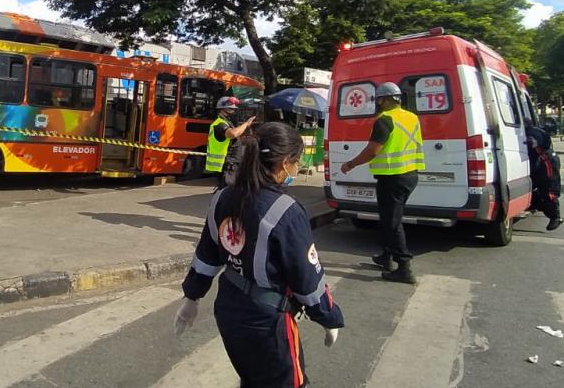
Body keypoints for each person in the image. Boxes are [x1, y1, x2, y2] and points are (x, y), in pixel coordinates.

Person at [174, 122, 344, 387]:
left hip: (229, 309)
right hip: (268, 320)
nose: (296, 169)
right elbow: (307, 279)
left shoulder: (221, 198)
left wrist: (192, 297)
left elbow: (207, 255)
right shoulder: (286, 211)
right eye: (296, 162)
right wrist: (329, 318)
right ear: (285, 162)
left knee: (251, 378)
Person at [338, 82, 424, 284]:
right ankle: (386, 256)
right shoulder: (412, 117)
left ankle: (404, 266)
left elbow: (372, 151)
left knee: (393, 221)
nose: (378, 103)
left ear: (384, 100)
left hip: (394, 177)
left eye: (379, 100)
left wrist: (350, 164)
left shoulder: (385, 120)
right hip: (409, 174)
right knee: (387, 217)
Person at [206, 97, 256, 188]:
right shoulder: (219, 124)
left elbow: (234, 139)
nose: (233, 112)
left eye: (234, 110)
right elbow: (233, 134)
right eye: (230, 109)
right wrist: (246, 124)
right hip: (227, 166)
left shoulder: (227, 123)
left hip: (232, 166)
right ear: (222, 110)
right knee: (227, 193)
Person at [526, 125, 564, 231]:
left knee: (549, 196)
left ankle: (556, 217)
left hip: (548, 177)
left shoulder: (547, 157)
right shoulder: (534, 132)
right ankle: (552, 215)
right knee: (536, 198)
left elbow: (551, 177)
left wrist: (548, 187)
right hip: (541, 175)